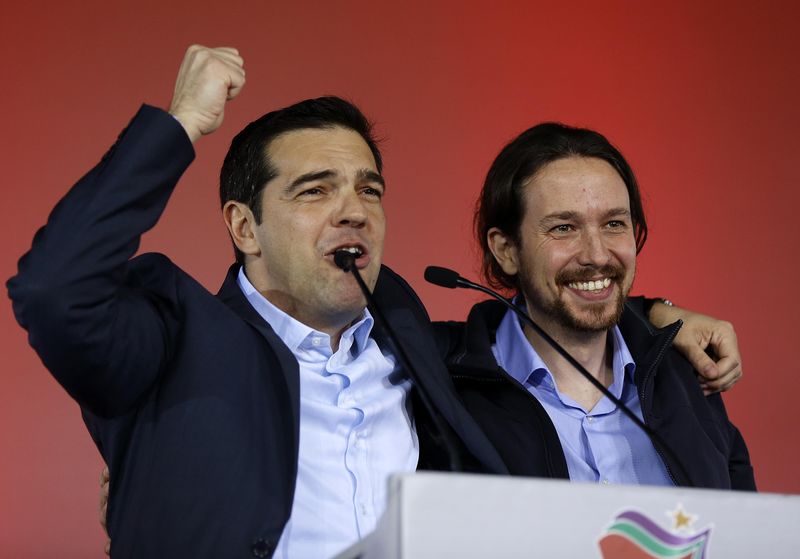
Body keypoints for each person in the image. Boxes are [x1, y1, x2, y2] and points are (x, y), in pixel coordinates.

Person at [9, 46, 747, 558]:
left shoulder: (422, 347)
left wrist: (659, 317)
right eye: (315, 189)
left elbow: (560, 301)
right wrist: (181, 125)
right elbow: (53, 289)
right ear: (244, 227)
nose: (354, 208)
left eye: (369, 188)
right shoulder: (170, 340)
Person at [435, 122, 755, 489]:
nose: (597, 254)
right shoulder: (444, 386)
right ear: (506, 250)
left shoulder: (683, 377)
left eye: (614, 224)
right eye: (563, 228)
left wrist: (659, 315)